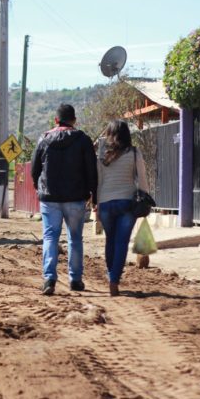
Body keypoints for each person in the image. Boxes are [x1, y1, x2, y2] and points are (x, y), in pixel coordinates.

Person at [31, 104, 97, 296]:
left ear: (55, 120)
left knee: (50, 236)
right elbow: (91, 169)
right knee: (75, 239)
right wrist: (94, 194)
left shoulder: (44, 139)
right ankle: (75, 280)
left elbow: (35, 169)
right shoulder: (83, 140)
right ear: (74, 120)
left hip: (49, 198)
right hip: (76, 198)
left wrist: (39, 187)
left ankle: (49, 278)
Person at [96, 120, 149, 297]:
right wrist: (144, 198)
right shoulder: (134, 153)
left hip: (105, 202)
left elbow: (99, 180)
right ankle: (114, 279)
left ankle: (111, 274)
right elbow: (142, 179)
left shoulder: (102, 155)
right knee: (121, 243)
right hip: (127, 202)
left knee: (110, 240)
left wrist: (96, 203)